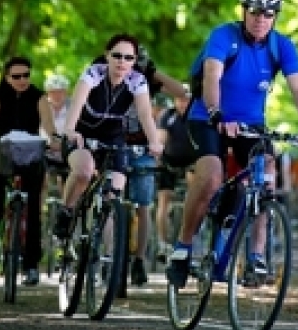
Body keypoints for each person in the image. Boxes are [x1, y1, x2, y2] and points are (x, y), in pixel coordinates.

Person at [166, 0, 298, 288]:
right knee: (212, 175)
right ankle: (183, 247)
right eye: (255, 12)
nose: (261, 19)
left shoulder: (281, 46)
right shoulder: (224, 35)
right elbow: (212, 74)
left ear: (276, 16)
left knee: (266, 170)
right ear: (244, 12)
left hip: (251, 124)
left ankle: (256, 257)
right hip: (208, 118)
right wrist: (216, 114)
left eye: (268, 13)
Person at [52, 34, 163, 251]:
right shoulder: (94, 73)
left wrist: (154, 142)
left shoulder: (137, 80)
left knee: (112, 196)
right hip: (83, 135)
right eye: (117, 56)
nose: (122, 62)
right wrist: (70, 130)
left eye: (129, 58)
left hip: (113, 139)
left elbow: (145, 114)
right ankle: (66, 211)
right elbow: (78, 101)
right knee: (84, 171)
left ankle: (108, 260)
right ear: (107, 56)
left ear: (134, 61)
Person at [89, 45, 187, 286]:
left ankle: (139, 260)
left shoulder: (147, 82)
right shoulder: (106, 75)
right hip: (110, 144)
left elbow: (182, 92)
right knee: (110, 200)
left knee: (143, 206)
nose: (131, 68)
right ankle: (109, 256)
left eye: (137, 64)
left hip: (141, 147)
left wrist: (156, 73)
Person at [0, 56, 58, 285]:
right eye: (16, 76)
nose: (22, 80)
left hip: (31, 151)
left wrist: (55, 139)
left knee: (33, 208)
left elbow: (49, 125)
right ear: (7, 77)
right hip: (5, 149)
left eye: (26, 75)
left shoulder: (38, 96)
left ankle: (31, 265)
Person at [155, 84, 195, 263]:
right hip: (169, 162)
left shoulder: (196, 116)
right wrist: (157, 152)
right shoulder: (168, 116)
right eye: (179, 99)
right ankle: (163, 242)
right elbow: (161, 138)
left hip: (192, 163)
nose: (182, 103)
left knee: (193, 188)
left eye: (186, 100)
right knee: (164, 199)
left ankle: (186, 236)